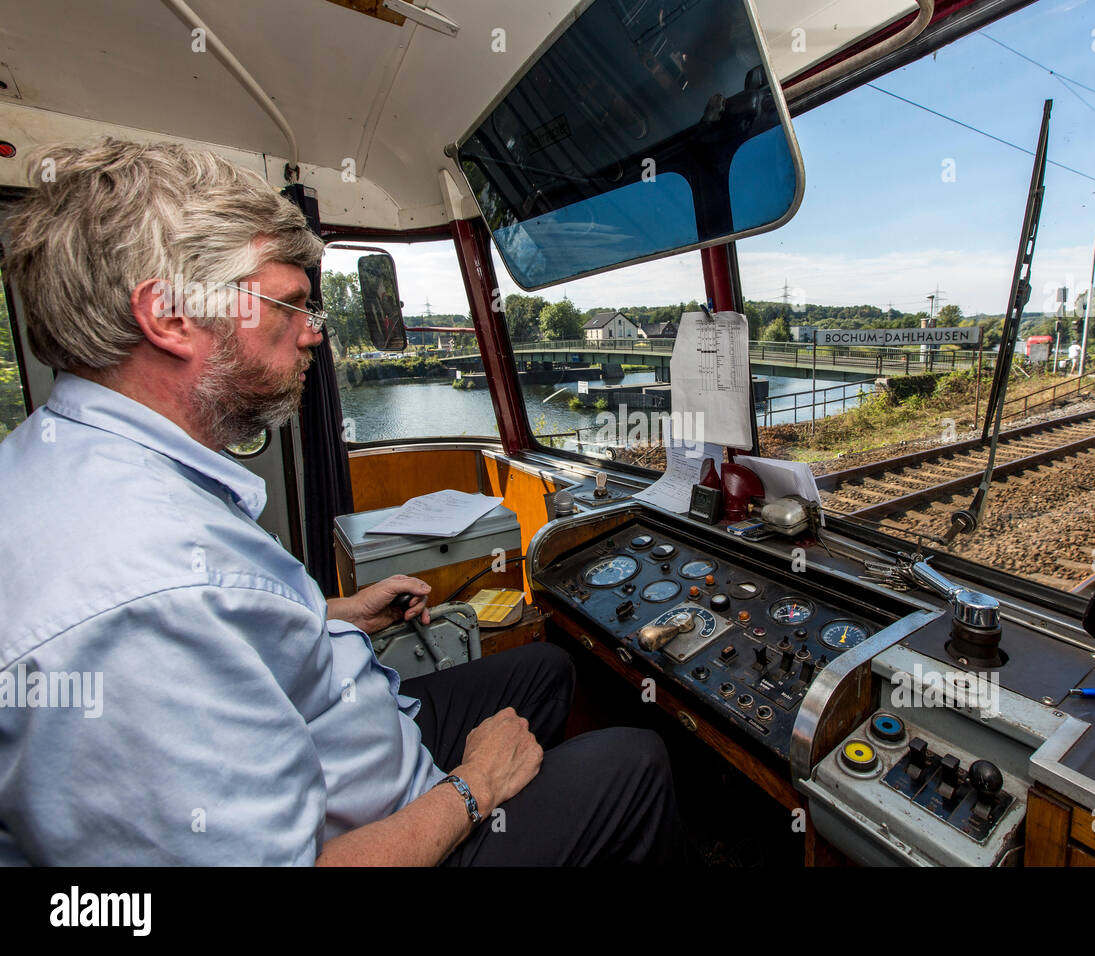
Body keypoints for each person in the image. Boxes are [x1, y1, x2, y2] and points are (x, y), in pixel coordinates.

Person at [0, 138, 682, 865]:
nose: (314, 333)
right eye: (287, 306)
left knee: (544, 672)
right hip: (378, 833)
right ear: (168, 317)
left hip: (347, 736)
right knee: (634, 762)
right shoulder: (135, 599)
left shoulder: (93, 469)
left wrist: (331, 613)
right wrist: (474, 786)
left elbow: (218, 627)